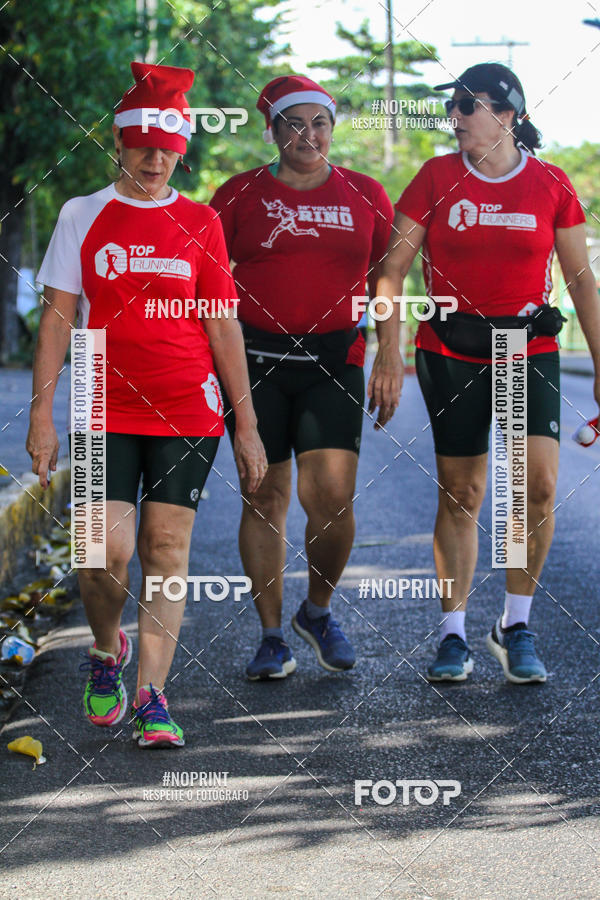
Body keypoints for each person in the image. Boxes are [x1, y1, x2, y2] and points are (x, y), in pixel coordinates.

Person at [26, 63, 266, 746]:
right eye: (143, 145)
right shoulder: (82, 214)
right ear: (120, 144)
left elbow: (222, 325)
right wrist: (41, 415)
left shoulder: (201, 223)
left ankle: (152, 696)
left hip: (188, 405)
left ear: (182, 148)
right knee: (103, 550)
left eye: (169, 147)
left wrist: (245, 426)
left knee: (167, 547)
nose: (156, 158)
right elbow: (55, 323)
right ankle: (107, 648)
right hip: (102, 397)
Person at [377, 63, 600, 683]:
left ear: (508, 115)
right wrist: (389, 350)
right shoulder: (436, 178)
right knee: (463, 493)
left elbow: (582, 280)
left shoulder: (552, 184)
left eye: (469, 107)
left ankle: (515, 623)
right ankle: (453, 634)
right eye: (453, 107)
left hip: (526, 349)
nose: (456, 118)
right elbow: (392, 271)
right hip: (451, 349)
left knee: (540, 487)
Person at [210, 75, 400, 680]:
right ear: (273, 129)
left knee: (332, 497)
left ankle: (316, 612)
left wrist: (391, 353)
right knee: (264, 495)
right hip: (255, 362)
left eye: (319, 122)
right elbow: (208, 284)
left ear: (332, 127)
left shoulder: (366, 194)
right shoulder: (238, 195)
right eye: (294, 123)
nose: (308, 134)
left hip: (333, 361)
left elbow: (387, 284)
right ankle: (271, 637)